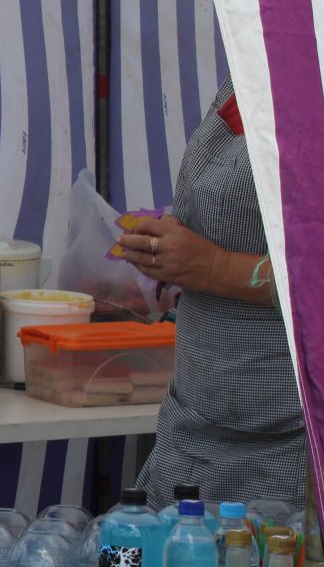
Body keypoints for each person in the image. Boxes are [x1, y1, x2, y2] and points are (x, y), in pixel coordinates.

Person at [117, 79, 308, 512]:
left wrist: (213, 266)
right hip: (190, 424)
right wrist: (172, 243)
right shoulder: (251, 67)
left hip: (285, 446)